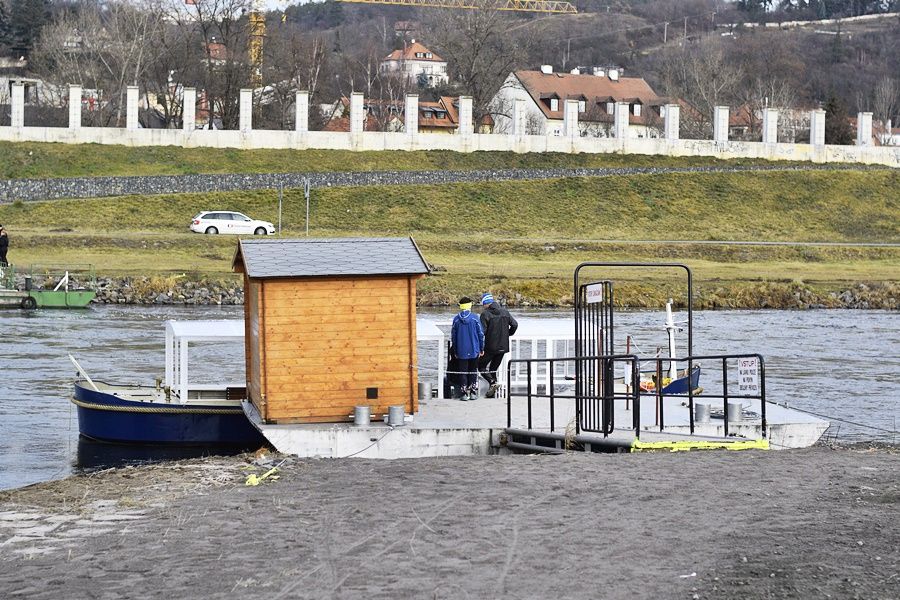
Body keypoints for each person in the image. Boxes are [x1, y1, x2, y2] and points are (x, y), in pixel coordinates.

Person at [478, 293, 519, 398]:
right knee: (493, 369)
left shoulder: (485, 314)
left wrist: (479, 346)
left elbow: (482, 332)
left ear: (486, 303)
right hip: (503, 347)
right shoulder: (505, 312)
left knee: (481, 366)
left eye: (483, 303)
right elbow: (514, 324)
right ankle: (492, 392)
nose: (483, 306)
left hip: (490, 347)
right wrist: (508, 334)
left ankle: (492, 382)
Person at [450, 296, 484, 401]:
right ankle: (473, 392)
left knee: (462, 371)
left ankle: (463, 393)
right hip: (474, 349)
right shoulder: (475, 318)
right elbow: (481, 334)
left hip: (461, 350)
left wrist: (455, 350)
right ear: (470, 305)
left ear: (460, 306)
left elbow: (453, 337)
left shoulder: (456, 319)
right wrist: (481, 348)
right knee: (473, 370)